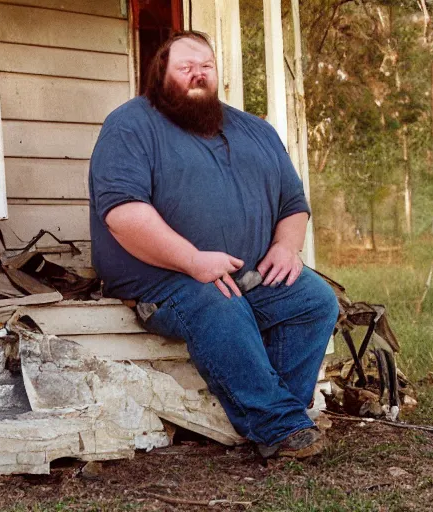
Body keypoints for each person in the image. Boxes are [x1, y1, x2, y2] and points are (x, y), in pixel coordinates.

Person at [88, 32, 338, 458]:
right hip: (164, 282)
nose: (198, 75)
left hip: (248, 274)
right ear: (161, 73)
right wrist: (191, 260)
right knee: (217, 301)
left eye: (206, 66)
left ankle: (280, 417)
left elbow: (293, 203)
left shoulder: (256, 130)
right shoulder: (130, 124)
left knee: (314, 300)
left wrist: (286, 246)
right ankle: (278, 428)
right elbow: (123, 214)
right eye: (185, 67)